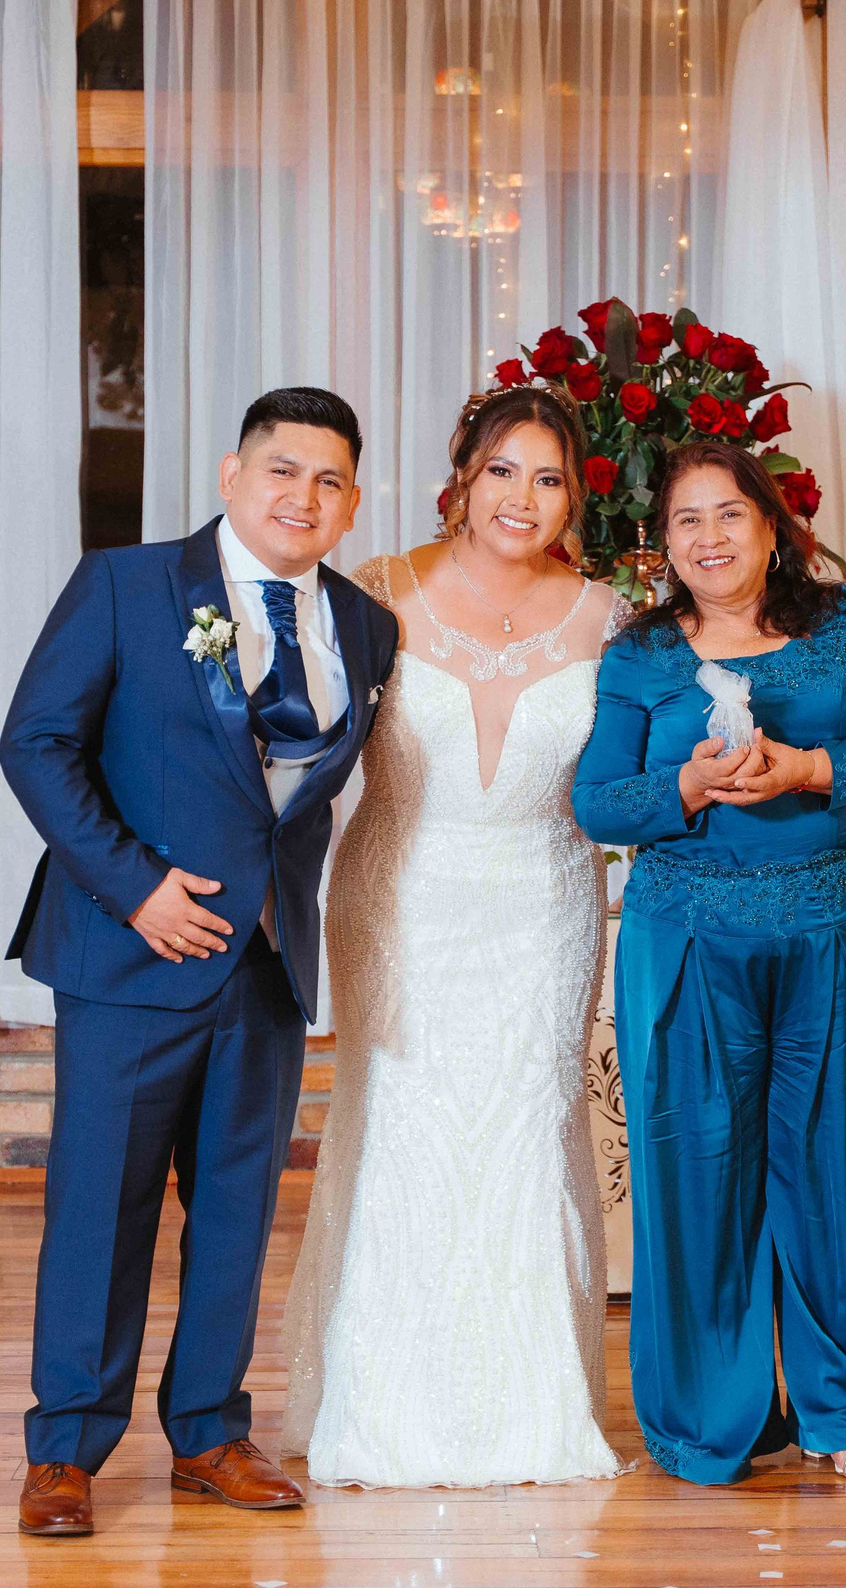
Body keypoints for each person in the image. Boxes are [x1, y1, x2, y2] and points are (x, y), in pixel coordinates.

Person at [0, 386, 400, 1537]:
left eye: (327, 480)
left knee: (234, 1208)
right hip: (131, 953)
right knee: (100, 1203)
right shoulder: (127, 585)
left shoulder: (364, 628)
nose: (301, 496)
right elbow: (35, 743)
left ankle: (212, 1431)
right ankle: (66, 1445)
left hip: (267, 962)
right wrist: (134, 887)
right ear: (231, 474)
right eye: (282, 470)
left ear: (350, 502)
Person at [572, 441, 846, 1488]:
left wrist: (811, 765)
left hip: (829, 929)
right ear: (663, 542)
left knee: (838, 1173)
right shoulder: (640, 653)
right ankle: (705, 1419)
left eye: (728, 513)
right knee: (694, 1175)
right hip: (684, 937)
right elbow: (597, 799)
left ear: (772, 525)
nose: (709, 537)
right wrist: (683, 786)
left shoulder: (844, 624)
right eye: (686, 520)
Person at [280, 384, 628, 1488]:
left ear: (574, 496)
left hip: (543, 899)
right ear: (462, 475)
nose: (522, 497)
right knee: (400, 1125)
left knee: (527, 1128)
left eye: (549, 477)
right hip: (398, 897)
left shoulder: (610, 615)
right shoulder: (372, 590)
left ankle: (535, 1412)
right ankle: (380, 1407)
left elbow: (633, 772)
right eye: (502, 471)